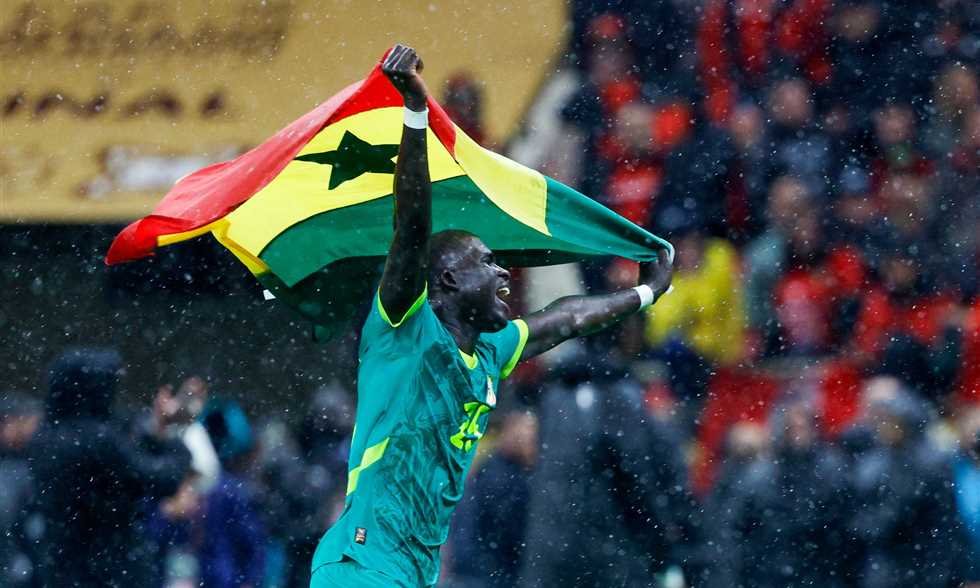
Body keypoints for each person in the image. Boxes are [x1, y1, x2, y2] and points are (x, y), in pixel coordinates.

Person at [309, 44, 673, 588]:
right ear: (448, 281)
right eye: (485, 262)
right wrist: (415, 112)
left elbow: (567, 319)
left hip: (411, 572)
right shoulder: (404, 329)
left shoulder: (490, 350)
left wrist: (645, 293)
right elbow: (411, 226)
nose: (503, 272)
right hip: (362, 565)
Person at [29, 348, 191, 588]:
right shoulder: (97, 438)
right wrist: (174, 441)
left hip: (63, 567)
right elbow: (160, 480)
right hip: (111, 567)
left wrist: (156, 430)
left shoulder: (45, 436)